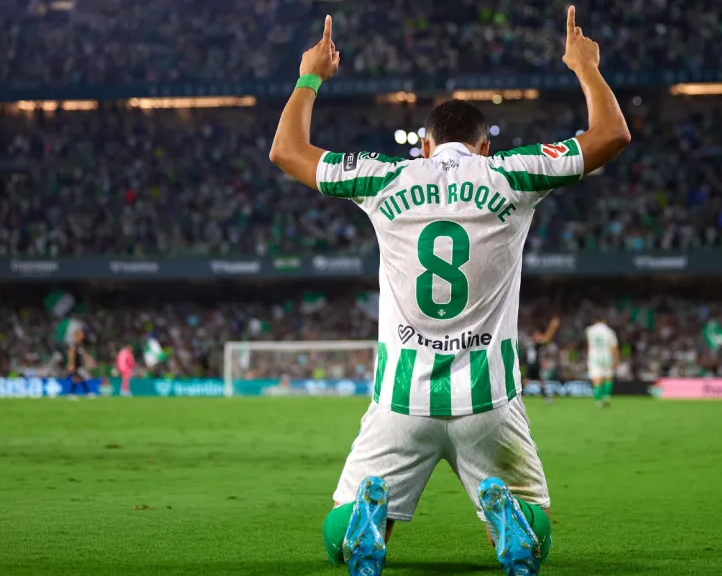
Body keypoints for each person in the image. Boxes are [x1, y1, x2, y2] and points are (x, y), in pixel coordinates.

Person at [268, 6, 629, 575]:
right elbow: (611, 135)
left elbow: (287, 151)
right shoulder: (512, 173)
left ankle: (369, 522)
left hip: (400, 401)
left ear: (425, 146)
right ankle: (509, 520)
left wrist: (310, 76)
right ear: (484, 148)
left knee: (338, 540)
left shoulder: (386, 177)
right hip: (489, 402)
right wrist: (586, 66)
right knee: (536, 534)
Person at [523, 317, 560, 404]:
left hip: (532, 363)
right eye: (537, 335)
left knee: (537, 380)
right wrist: (552, 327)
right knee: (534, 380)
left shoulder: (530, 342)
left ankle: (544, 397)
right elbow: (547, 338)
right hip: (533, 364)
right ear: (533, 335)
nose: (539, 336)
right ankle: (546, 397)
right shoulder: (535, 342)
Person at [585, 319, 619, 407]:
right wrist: (615, 359)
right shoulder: (609, 331)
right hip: (607, 356)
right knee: (608, 377)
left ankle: (598, 400)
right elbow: (614, 346)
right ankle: (607, 396)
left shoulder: (590, 330)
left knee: (596, 378)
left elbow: (589, 344)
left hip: (594, 357)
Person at [67, 329, 96, 399]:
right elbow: (71, 354)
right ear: (77, 336)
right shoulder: (74, 345)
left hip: (79, 365)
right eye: (81, 334)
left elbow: (84, 354)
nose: (83, 336)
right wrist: (71, 364)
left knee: (80, 379)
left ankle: (85, 393)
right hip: (76, 366)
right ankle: (73, 394)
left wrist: (90, 360)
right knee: (77, 379)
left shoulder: (80, 345)